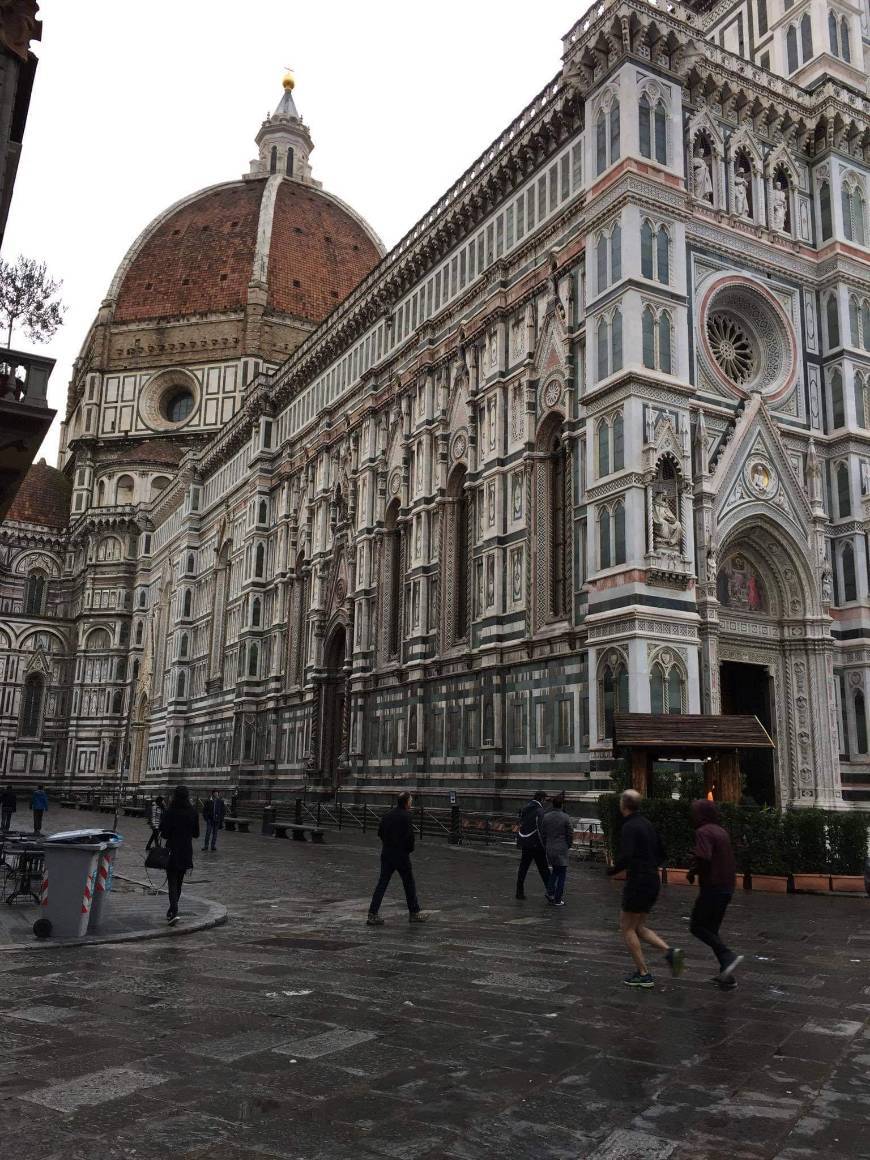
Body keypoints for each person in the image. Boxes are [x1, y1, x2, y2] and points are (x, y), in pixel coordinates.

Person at [607, 789, 684, 987]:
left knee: (627, 927)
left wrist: (613, 870)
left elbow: (626, 855)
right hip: (652, 879)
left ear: (624, 804)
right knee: (639, 926)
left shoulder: (630, 826)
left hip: (638, 882)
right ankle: (670, 952)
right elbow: (662, 852)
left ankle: (643, 973)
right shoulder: (647, 824)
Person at [687, 799, 743, 990]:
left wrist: (692, 871)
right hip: (727, 886)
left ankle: (728, 956)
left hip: (713, 886)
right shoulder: (720, 830)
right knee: (711, 929)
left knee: (697, 926)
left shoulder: (703, 832)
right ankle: (726, 974)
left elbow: (704, 856)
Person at [367, 790, 427, 925]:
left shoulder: (387, 815)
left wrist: (388, 844)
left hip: (387, 853)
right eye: (410, 801)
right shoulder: (406, 816)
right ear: (406, 803)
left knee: (382, 883)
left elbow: (380, 833)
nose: (411, 803)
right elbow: (410, 837)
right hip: (401, 855)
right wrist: (408, 850)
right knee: (409, 883)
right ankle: (414, 912)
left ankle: (372, 913)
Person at [159, 785, 200, 925]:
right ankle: (172, 910)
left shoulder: (170, 812)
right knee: (179, 881)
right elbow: (196, 834)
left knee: (172, 881)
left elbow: (164, 833)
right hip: (186, 851)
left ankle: (173, 910)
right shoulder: (193, 812)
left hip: (172, 850)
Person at [538, 793, 573, 907]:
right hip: (561, 848)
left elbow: (542, 833)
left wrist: (546, 844)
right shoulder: (565, 817)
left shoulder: (546, 817)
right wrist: (568, 845)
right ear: (562, 805)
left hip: (550, 848)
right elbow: (570, 833)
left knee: (555, 871)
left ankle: (550, 892)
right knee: (562, 873)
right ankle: (557, 898)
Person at [515, 790, 550, 900]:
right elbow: (541, 829)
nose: (545, 802)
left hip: (526, 842)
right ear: (541, 799)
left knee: (523, 868)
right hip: (536, 844)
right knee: (544, 869)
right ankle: (551, 891)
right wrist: (544, 844)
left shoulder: (526, 807)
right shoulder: (539, 811)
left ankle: (519, 891)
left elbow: (521, 823)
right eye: (545, 800)